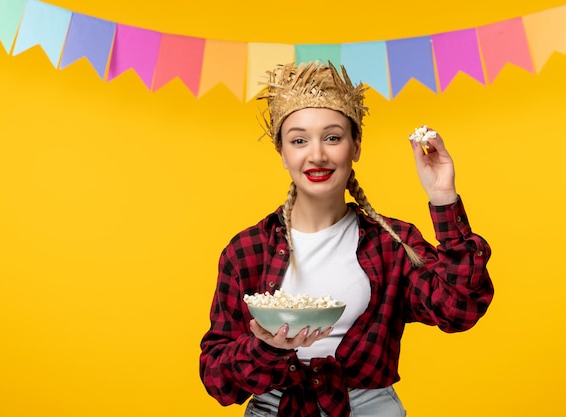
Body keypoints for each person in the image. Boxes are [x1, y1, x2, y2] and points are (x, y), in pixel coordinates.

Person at [199, 61, 494, 417]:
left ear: (356, 146)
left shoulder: (391, 244)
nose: (317, 154)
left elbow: (458, 310)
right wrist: (266, 349)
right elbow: (217, 379)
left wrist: (444, 198)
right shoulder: (247, 251)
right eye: (299, 140)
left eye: (333, 137)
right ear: (282, 152)